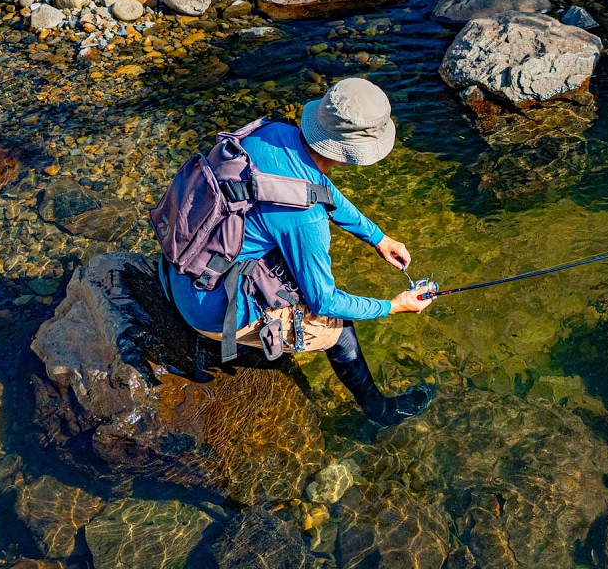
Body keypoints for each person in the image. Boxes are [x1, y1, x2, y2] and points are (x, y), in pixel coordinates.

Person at [160, 77, 436, 428]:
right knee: (340, 328)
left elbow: (318, 190)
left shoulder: (271, 133)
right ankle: (381, 413)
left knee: (306, 274)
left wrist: (378, 238)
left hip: (179, 265)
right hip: (207, 309)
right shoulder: (307, 223)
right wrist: (394, 306)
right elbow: (324, 302)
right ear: (352, 154)